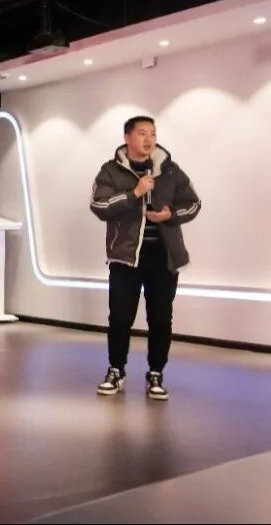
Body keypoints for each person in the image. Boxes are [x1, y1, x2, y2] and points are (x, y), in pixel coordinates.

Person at [89, 116, 201, 400]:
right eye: (142, 133)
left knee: (161, 319)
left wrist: (170, 216)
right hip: (126, 257)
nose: (149, 139)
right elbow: (99, 205)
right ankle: (116, 370)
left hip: (163, 258)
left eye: (152, 133)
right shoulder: (111, 171)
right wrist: (134, 193)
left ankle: (156, 373)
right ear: (127, 137)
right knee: (120, 317)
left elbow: (193, 203)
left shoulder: (170, 170)